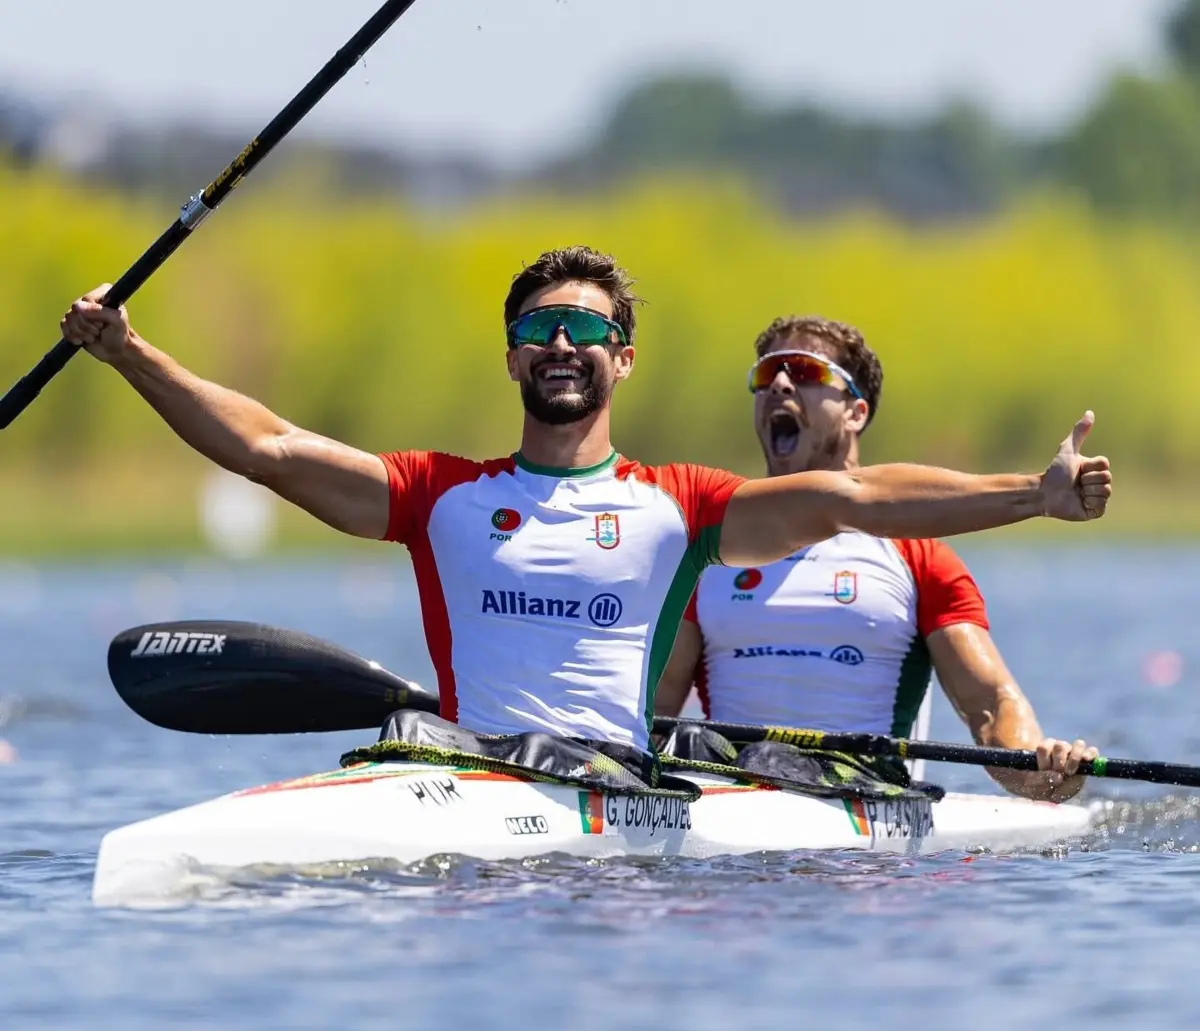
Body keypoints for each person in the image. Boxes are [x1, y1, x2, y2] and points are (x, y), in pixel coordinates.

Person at [61, 246, 1111, 756]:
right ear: (512, 359)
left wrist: (1034, 494)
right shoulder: (438, 495)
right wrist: (127, 352)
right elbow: (268, 448)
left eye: (587, 331)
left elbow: (858, 498)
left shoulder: (680, 507)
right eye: (538, 331)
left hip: (616, 810)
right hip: (471, 771)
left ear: (625, 360)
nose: (562, 345)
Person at [654, 314, 1098, 801]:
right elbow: (656, 709)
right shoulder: (709, 553)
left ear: (855, 412)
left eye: (803, 371)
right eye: (766, 374)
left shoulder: (920, 559)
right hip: (725, 792)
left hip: (864, 804)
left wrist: (1041, 771)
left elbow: (990, 704)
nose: (779, 384)